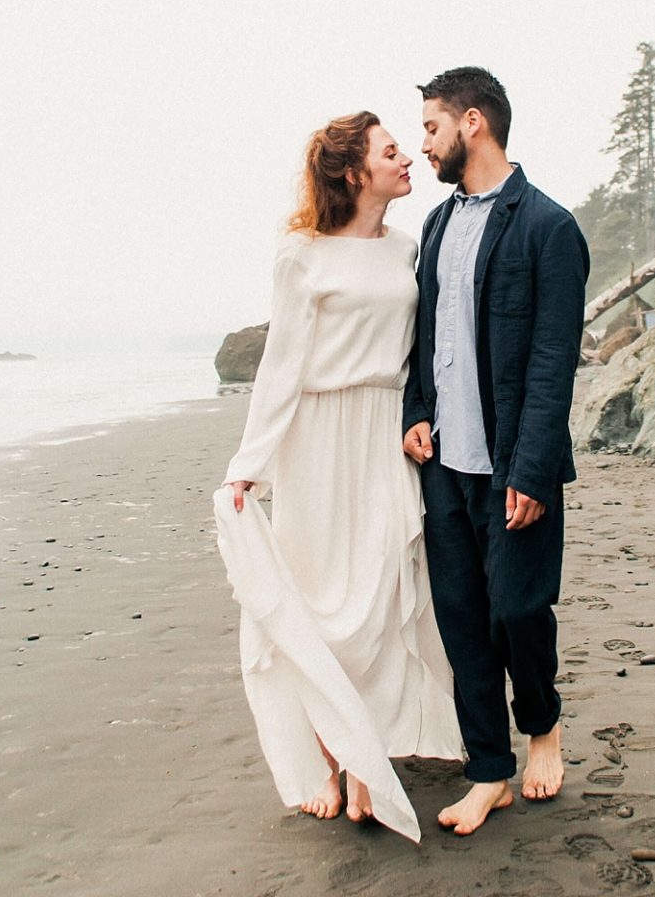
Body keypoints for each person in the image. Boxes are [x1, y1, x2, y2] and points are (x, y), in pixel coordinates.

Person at [214, 111, 462, 840]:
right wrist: (248, 466)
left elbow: (421, 354)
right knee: (322, 600)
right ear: (354, 173)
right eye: (391, 152)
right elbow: (282, 366)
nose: (405, 158)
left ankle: (367, 755)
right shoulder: (301, 255)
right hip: (317, 438)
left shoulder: (408, 249)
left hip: (382, 433)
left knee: (382, 593)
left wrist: (420, 419)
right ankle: (329, 751)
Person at [404, 66, 590, 834]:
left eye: (430, 127)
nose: (422, 143)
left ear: (472, 122)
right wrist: (415, 412)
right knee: (461, 620)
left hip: (513, 464)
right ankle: (489, 771)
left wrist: (533, 469)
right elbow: (425, 340)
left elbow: (553, 360)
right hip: (444, 467)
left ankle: (541, 725)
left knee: (517, 609)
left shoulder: (548, 227)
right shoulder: (438, 225)